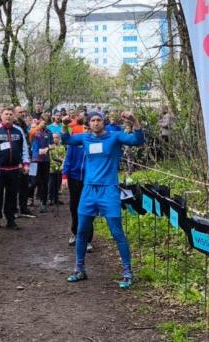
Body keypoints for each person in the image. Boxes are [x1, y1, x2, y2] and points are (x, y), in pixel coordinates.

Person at [62, 111, 144, 289]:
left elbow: (137, 141)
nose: (96, 123)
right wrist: (64, 125)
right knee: (82, 231)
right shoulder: (84, 138)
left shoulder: (114, 137)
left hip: (109, 190)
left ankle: (128, 272)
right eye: (93, 120)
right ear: (89, 123)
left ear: (104, 122)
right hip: (89, 190)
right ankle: (79, 269)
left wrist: (134, 121)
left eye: (99, 120)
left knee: (117, 233)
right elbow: (66, 140)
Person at [0, 107, 30, 229]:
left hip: (14, 169)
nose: (8, 116)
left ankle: (10, 219)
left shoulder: (18, 131)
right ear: (1, 116)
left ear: (14, 116)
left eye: (10, 114)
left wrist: (26, 163)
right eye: (6, 114)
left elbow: (24, 148)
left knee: (12, 195)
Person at [61, 114, 91, 250]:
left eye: (88, 128)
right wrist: (64, 177)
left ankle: (88, 239)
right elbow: (68, 159)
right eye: (85, 127)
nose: (87, 130)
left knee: (89, 208)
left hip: (90, 179)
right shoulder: (76, 142)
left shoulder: (96, 143)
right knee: (74, 206)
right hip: (74, 178)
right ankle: (75, 233)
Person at [12, 106, 35, 217]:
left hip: (26, 157)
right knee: (16, 186)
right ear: (14, 113)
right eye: (20, 112)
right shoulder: (14, 126)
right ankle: (14, 209)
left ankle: (23, 207)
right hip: (17, 160)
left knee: (25, 184)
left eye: (23, 111)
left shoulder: (24, 124)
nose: (22, 113)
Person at [29, 122, 53, 213]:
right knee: (32, 181)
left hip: (45, 160)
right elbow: (30, 135)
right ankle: (29, 198)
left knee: (44, 182)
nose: (44, 124)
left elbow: (52, 144)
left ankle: (43, 203)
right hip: (34, 160)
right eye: (42, 122)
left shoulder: (49, 132)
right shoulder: (33, 130)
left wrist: (49, 148)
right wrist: (37, 127)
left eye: (45, 122)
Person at [48, 132, 65, 206]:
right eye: (54, 137)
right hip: (52, 169)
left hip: (60, 169)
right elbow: (50, 158)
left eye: (57, 137)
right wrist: (55, 166)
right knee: (51, 184)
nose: (55, 139)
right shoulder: (50, 147)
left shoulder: (62, 147)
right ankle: (50, 199)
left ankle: (56, 199)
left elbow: (64, 157)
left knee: (58, 184)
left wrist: (61, 167)